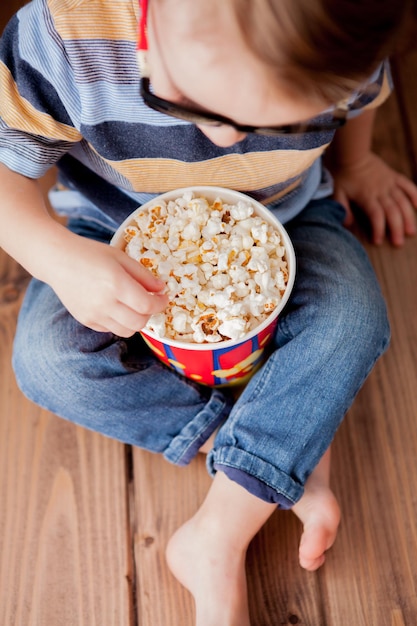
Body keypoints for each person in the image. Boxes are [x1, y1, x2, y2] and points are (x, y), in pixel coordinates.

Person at [1, 0, 417, 624]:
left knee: (352, 320)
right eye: (191, 108)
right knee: (47, 363)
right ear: (151, 19)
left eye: (276, 125)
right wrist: (56, 257)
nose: (227, 139)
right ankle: (283, 446)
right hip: (107, 224)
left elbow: (362, 100)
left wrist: (356, 164)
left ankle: (218, 534)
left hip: (290, 215)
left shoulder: (344, 38)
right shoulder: (65, 35)